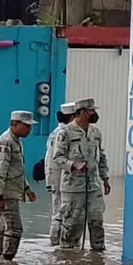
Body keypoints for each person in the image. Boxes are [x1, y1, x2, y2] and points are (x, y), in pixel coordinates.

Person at [57, 98, 111, 252]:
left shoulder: (96, 132)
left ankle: (98, 255)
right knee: (72, 223)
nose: (94, 114)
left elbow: (101, 156)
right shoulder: (65, 132)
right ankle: (68, 257)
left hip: (93, 185)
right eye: (91, 111)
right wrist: (74, 165)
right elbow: (58, 158)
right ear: (81, 112)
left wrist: (105, 178)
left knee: (97, 221)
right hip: (73, 187)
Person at [0, 110, 38, 260]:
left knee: (1, 228)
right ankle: (7, 262)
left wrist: (26, 188)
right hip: (5, 194)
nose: (29, 129)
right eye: (26, 126)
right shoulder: (6, 142)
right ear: (14, 124)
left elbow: (16, 170)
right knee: (14, 229)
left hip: (8, 193)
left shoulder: (16, 141)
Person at [46, 102, 78, 246]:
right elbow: (56, 159)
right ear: (72, 117)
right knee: (60, 211)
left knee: (58, 210)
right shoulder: (63, 133)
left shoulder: (55, 132)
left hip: (56, 178)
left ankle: (56, 244)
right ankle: (57, 242)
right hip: (61, 178)